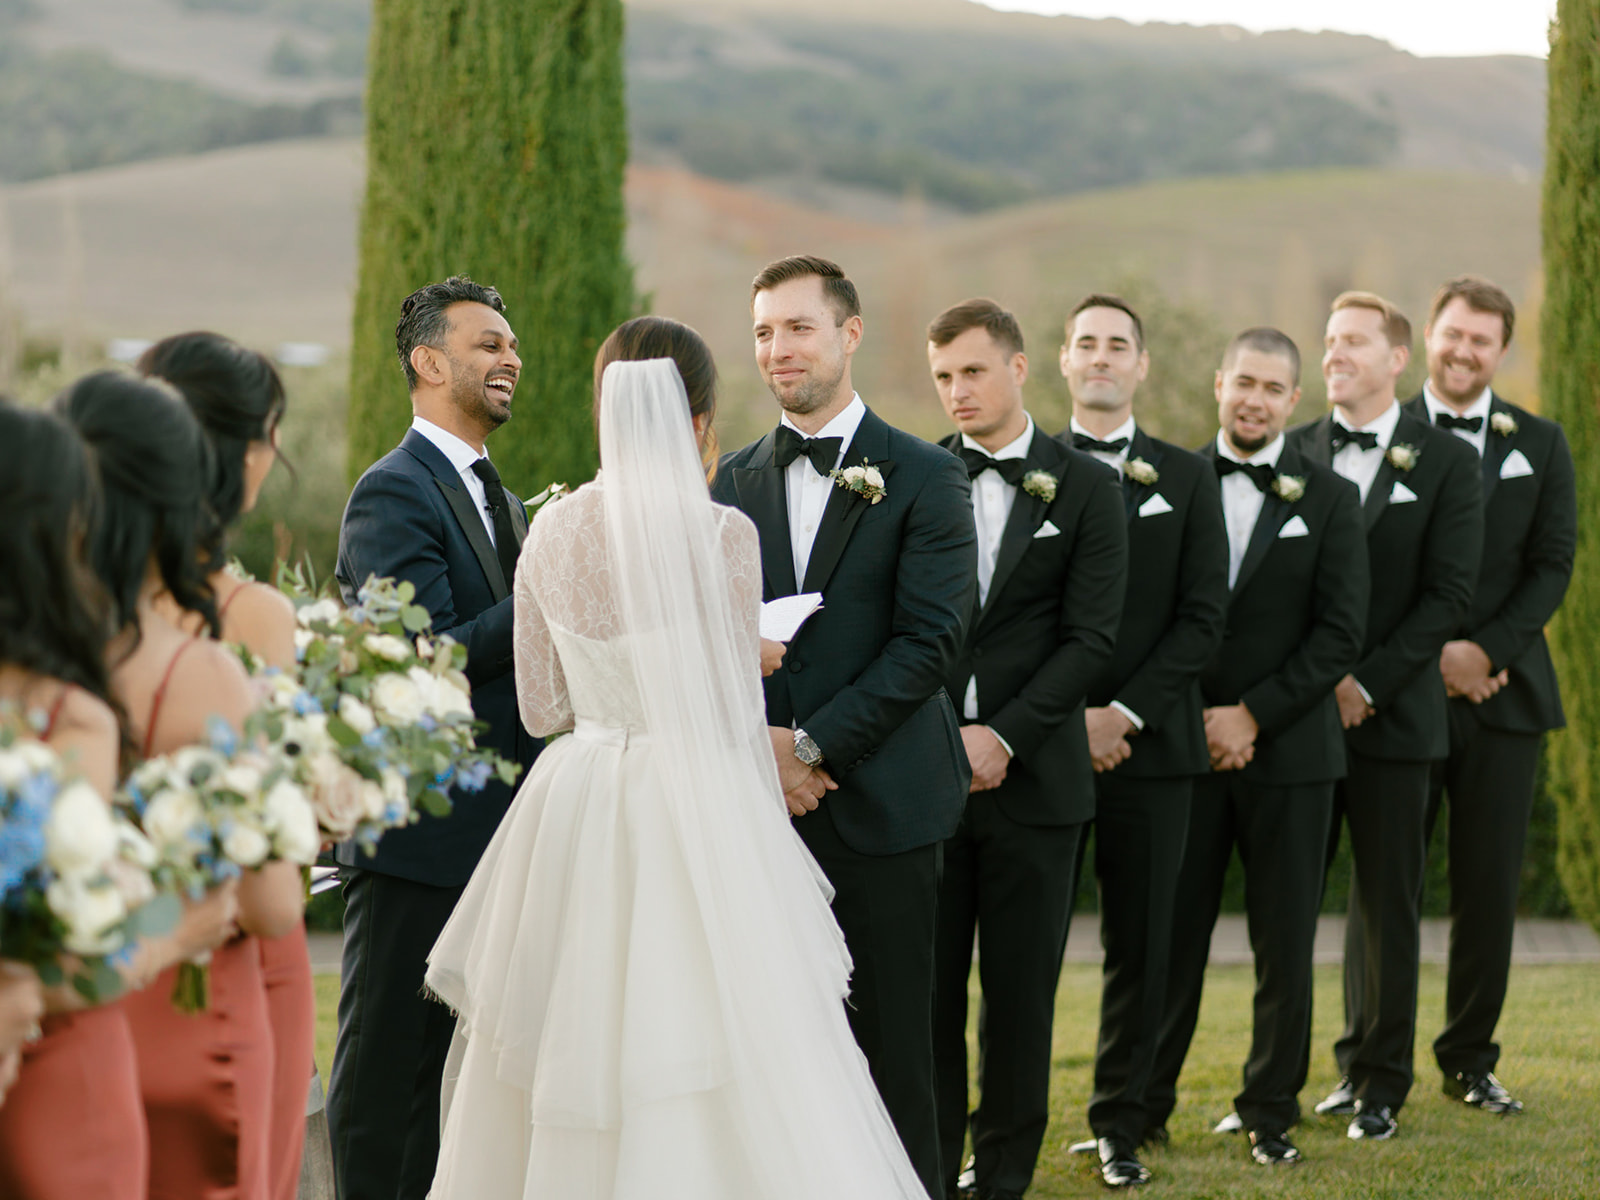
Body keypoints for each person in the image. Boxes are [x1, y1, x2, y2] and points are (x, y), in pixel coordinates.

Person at [425, 316, 932, 1199]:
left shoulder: (551, 534)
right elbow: (732, 718)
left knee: (569, 1039)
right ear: (697, 418)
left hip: (580, 799)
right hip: (693, 801)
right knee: (719, 1030)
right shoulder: (725, 535)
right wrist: (750, 657)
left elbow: (545, 709)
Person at [712, 256, 977, 1198]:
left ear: (850, 334)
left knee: (898, 1051)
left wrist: (811, 747)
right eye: (763, 333)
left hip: (888, 810)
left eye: (798, 327)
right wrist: (762, 757)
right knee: (776, 1051)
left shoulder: (928, 476)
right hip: (759, 816)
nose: (778, 349)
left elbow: (932, 643)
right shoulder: (731, 481)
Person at [55, 371, 304, 1199]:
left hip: (52, 1032)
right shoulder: (194, 674)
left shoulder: (34, 661)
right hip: (190, 1028)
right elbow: (271, 907)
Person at [330, 276, 542, 1200]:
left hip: (501, 838)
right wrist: (544, 604)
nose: (511, 359)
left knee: (460, 1091)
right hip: (417, 840)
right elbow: (422, 662)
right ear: (428, 361)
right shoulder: (392, 493)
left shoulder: (505, 499)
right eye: (488, 344)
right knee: (386, 1081)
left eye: (511, 346)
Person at [1145, 329, 1368, 1167]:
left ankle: (1270, 1110)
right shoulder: (1170, 484)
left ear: (1293, 402)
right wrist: (1200, 715)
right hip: (1183, 746)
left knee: (1285, 943)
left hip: (1294, 757)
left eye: (1273, 389)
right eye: (1244, 382)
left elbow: (1340, 632)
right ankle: (1143, 1104)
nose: (1255, 400)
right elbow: (1156, 618)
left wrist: (1253, 716)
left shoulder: (1332, 498)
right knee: (1172, 936)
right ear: (1217, 384)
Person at [925, 299, 1126, 1200]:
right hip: (923, 784)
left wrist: (1002, 734)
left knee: (1017, 1001)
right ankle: (924, 1166)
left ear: (1018, 369)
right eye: (942, 377)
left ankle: (1000, 1175)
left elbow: (1090, 639)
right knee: (925, 996)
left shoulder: (1086, 486)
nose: (957, 392)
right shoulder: (916, 475)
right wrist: (942, 739)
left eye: (972, 371)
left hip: (1037, 785)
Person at [1288, 292, 1482, 1141]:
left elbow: (1447, 596)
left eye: (1354, 342)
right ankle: (1297, 1080)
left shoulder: (1445, 461)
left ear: (1397, 358)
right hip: (1300, 719)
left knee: (1388, 903)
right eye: (1329, 341)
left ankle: (1381, 1083)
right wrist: (1308, 685)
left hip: (1397, 720)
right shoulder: (1293, 452)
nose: (1335, 354)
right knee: (1294, 903)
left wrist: (1364, 684)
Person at [140, 330, 319, 1200]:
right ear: (249, 454)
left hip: (104, 946)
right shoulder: (251, 616)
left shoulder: (71, 608)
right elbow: (272, 874)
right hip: (235, 948)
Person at [1056, 294, 1228, 1189]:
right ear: (1060, 361)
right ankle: (1001, 1125)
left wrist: (1120, 715)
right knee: (1024, 949)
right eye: (1086, 343)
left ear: (1143, 366)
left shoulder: (1188, 478)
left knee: (1144, 944)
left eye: (1118, 345)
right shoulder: (1030, 470)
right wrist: (1063, 717)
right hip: (1038, 748)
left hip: (1153, 752)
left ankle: (1123, 1123)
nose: (1101, 357)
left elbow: (1203, 620)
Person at [1398, 277, 1575, 1114]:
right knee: (1386, 887)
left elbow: (1552, 565)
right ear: (1428, 336)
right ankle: (1374, 1067)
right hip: (1401, 694)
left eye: (1482, 341)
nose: (1464, 351)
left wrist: (1486, 652)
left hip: (1504, 698)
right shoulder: (1383, 438)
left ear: (1502, 352)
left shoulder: (1540, 443)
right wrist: (1432, 657)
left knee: (1488, 888)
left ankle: (1470, 1058)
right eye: (1453, 334)